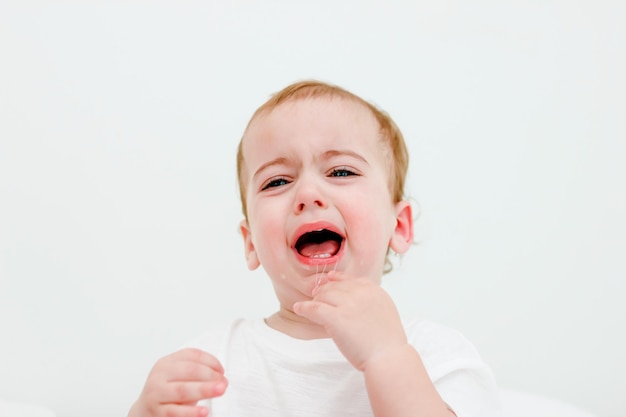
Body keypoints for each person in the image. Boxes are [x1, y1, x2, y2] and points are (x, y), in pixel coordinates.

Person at [128, 80, 502, 417]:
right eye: (277, 181)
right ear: (251, 242)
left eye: (341, 172)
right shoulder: (213, 363)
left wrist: (386, 358)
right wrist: (145, 411)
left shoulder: (436, 354)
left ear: (399, 226)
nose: (307, 194)